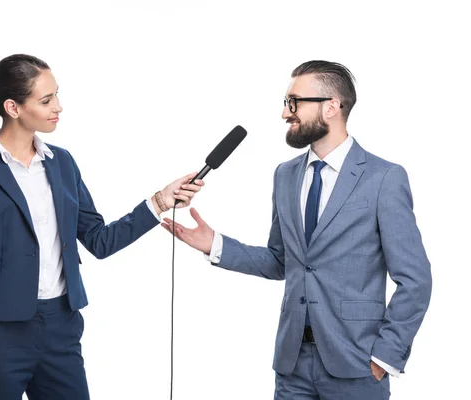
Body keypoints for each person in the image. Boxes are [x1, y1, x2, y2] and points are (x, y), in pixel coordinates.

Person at [161, 60, 431, 399]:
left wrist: (385, 356)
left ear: (332, 106)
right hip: (292, 365)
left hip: (357, 363)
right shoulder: (284, 175)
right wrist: (214, 244)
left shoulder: (384, 178)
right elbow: (281, 261)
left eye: (294, 102)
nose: (285, 113)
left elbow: (416, 279)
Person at [0, 53, 205, 400]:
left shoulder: (62, 163)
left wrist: (160, 200)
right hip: (0, 333)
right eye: (46, 99)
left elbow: (99, 240)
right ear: (13, 107)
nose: (59, 106)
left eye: (56, 94)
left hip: (61, 325)